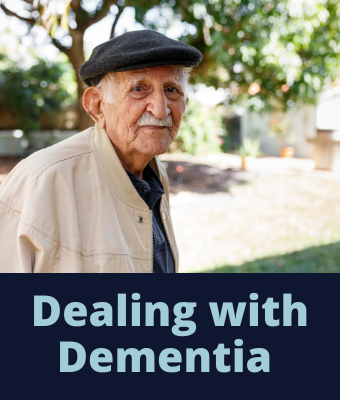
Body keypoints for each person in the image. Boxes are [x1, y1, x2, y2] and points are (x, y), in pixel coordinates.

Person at [0, 30, 202, 273]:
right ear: (97, 106)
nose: (161, 110)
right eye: (139, 89)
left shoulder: (153, 171)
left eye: (171, 89)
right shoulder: (41, 181)